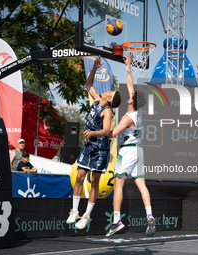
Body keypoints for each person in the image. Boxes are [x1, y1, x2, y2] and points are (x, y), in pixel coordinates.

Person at [66, 55, 121, 230]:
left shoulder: (107, 111)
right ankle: (74, 211)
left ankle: (87, 215)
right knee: (80, 177)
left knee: (95, 182)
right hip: (89, 146)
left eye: (110, 92)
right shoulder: (97, 100)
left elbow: (106, 131)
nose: (108, 91)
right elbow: (88, 85)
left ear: (110, 100)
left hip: (100, 149)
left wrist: (92, 132)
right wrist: (95, 68)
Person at [106, 54, 156, 237]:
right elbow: (130, 86)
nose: (129, 97)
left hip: (126, 151)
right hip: (139, 151)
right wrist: (127, 68)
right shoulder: (138, 114)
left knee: (118, 185)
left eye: (130, 97)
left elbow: (112, 134)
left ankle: (116, 221)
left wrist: (103, 125)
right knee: (141, 185)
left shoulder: (127, 118)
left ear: (131, 102)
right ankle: (150, 215)